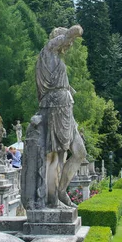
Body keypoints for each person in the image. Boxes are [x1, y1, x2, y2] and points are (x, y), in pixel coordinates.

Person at [36, 25, 87, 208]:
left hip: (66, 109)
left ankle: (61, 191)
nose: (69, 45)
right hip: (56, 108)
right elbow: (69, 34)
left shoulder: (56, 58)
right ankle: (52, 200)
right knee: (57, 155)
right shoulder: (48, 52)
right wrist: (75, 32)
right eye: (68, 42)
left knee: (80, 153)